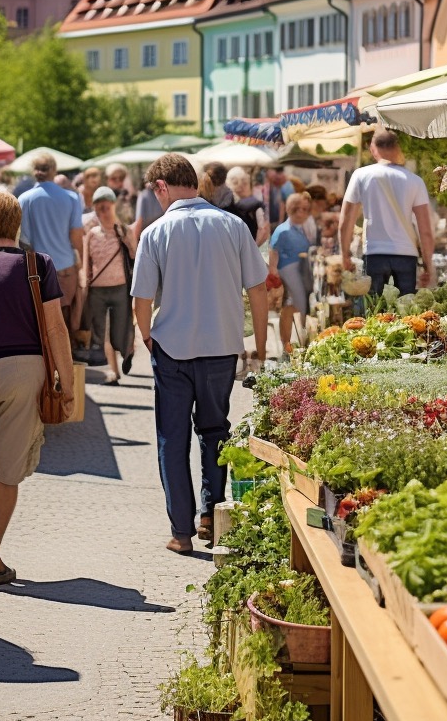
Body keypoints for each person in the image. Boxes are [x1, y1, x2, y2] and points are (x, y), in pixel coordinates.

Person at [132, 153, 268, 554]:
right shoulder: (233, 225)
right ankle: (211, 514)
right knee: (214, 431)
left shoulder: (155, 232)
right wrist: (260, 347)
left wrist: (146, 336)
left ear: (161, 187)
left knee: (172, 439)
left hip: (171, 349)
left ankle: (181, 532)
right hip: (221, 347)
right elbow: (258, 289)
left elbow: (142, 299)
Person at [0, 190, 75, 585]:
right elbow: (56, 328)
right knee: (9, 470)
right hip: (26, 372)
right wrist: (67, 386)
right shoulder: (38, 264)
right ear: (17, 224)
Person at [340, 128, 435, 296]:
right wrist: (428, 263)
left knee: (375, 309)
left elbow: (347, 220)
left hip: (374, 253)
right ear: (397, 148)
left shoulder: (361, 175)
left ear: (372, 149)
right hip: (406, 255)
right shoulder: (415, 181)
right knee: (406, 309)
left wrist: (344, 255)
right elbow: (425, 230)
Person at [19, 153, 83, 331]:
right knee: (65, 321)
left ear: (34, 171)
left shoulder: (24, 199)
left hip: (37, 270)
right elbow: (76, 236)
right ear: (54, 170)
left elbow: (24, 241)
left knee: (41, 323)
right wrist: (82, 263)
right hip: (66, 267)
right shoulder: (71, 198)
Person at [82, 186, 137, 383]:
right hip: (98, 291)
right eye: (98, 209)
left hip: (120, 289)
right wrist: (84, 290)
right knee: (104, 334)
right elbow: (86, 265)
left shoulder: (124, 230)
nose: (102, 212)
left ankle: (128, 350)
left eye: (105, 207)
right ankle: (114, 373)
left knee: (120, 331)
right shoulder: (91, 234)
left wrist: (127, 241)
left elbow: (135, 256)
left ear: (113, 206)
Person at [269, 192, 313, 352]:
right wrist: (274, 273)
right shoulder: (283, 230)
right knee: (292, 306)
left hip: (301, 271)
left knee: (297, 305)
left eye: (306, 209)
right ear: (292, 210)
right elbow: (273, 251)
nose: (304, 213)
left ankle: (297, 341)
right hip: (288, 272)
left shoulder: (300, 229)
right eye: (301, 209)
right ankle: (288, 344)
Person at [224, 166, 270, 246]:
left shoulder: (256, 206)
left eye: (244, 183)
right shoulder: (226, 206)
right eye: (235, 183)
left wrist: (253, 248)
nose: (240, 186)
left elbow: (264, 230)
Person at [132, 180, 164, 245]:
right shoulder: (164, 194)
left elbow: (139, 221)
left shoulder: (143, 195)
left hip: (148, 237)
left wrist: (134, 243)